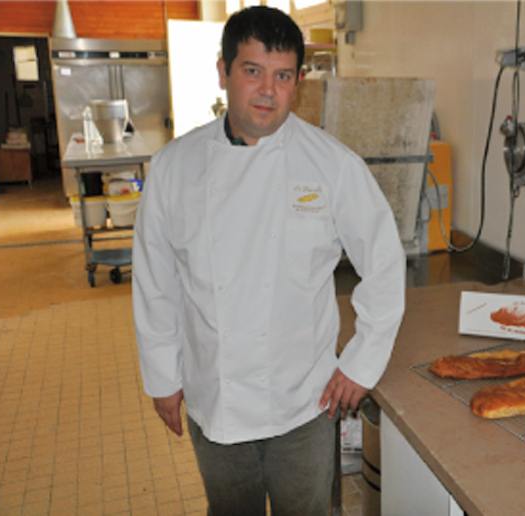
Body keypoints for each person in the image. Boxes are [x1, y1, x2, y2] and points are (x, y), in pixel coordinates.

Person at [132, 6, 405, 516]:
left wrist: (362, 363)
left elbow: (386, 265)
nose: (267, 91)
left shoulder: (333, 166)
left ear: (298, 82)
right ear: (223, 71)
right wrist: (163, 378)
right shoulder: (175, 167)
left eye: (283, 76)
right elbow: (155, 283)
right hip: (216, 397)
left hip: (304, 401)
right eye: (251, 71)